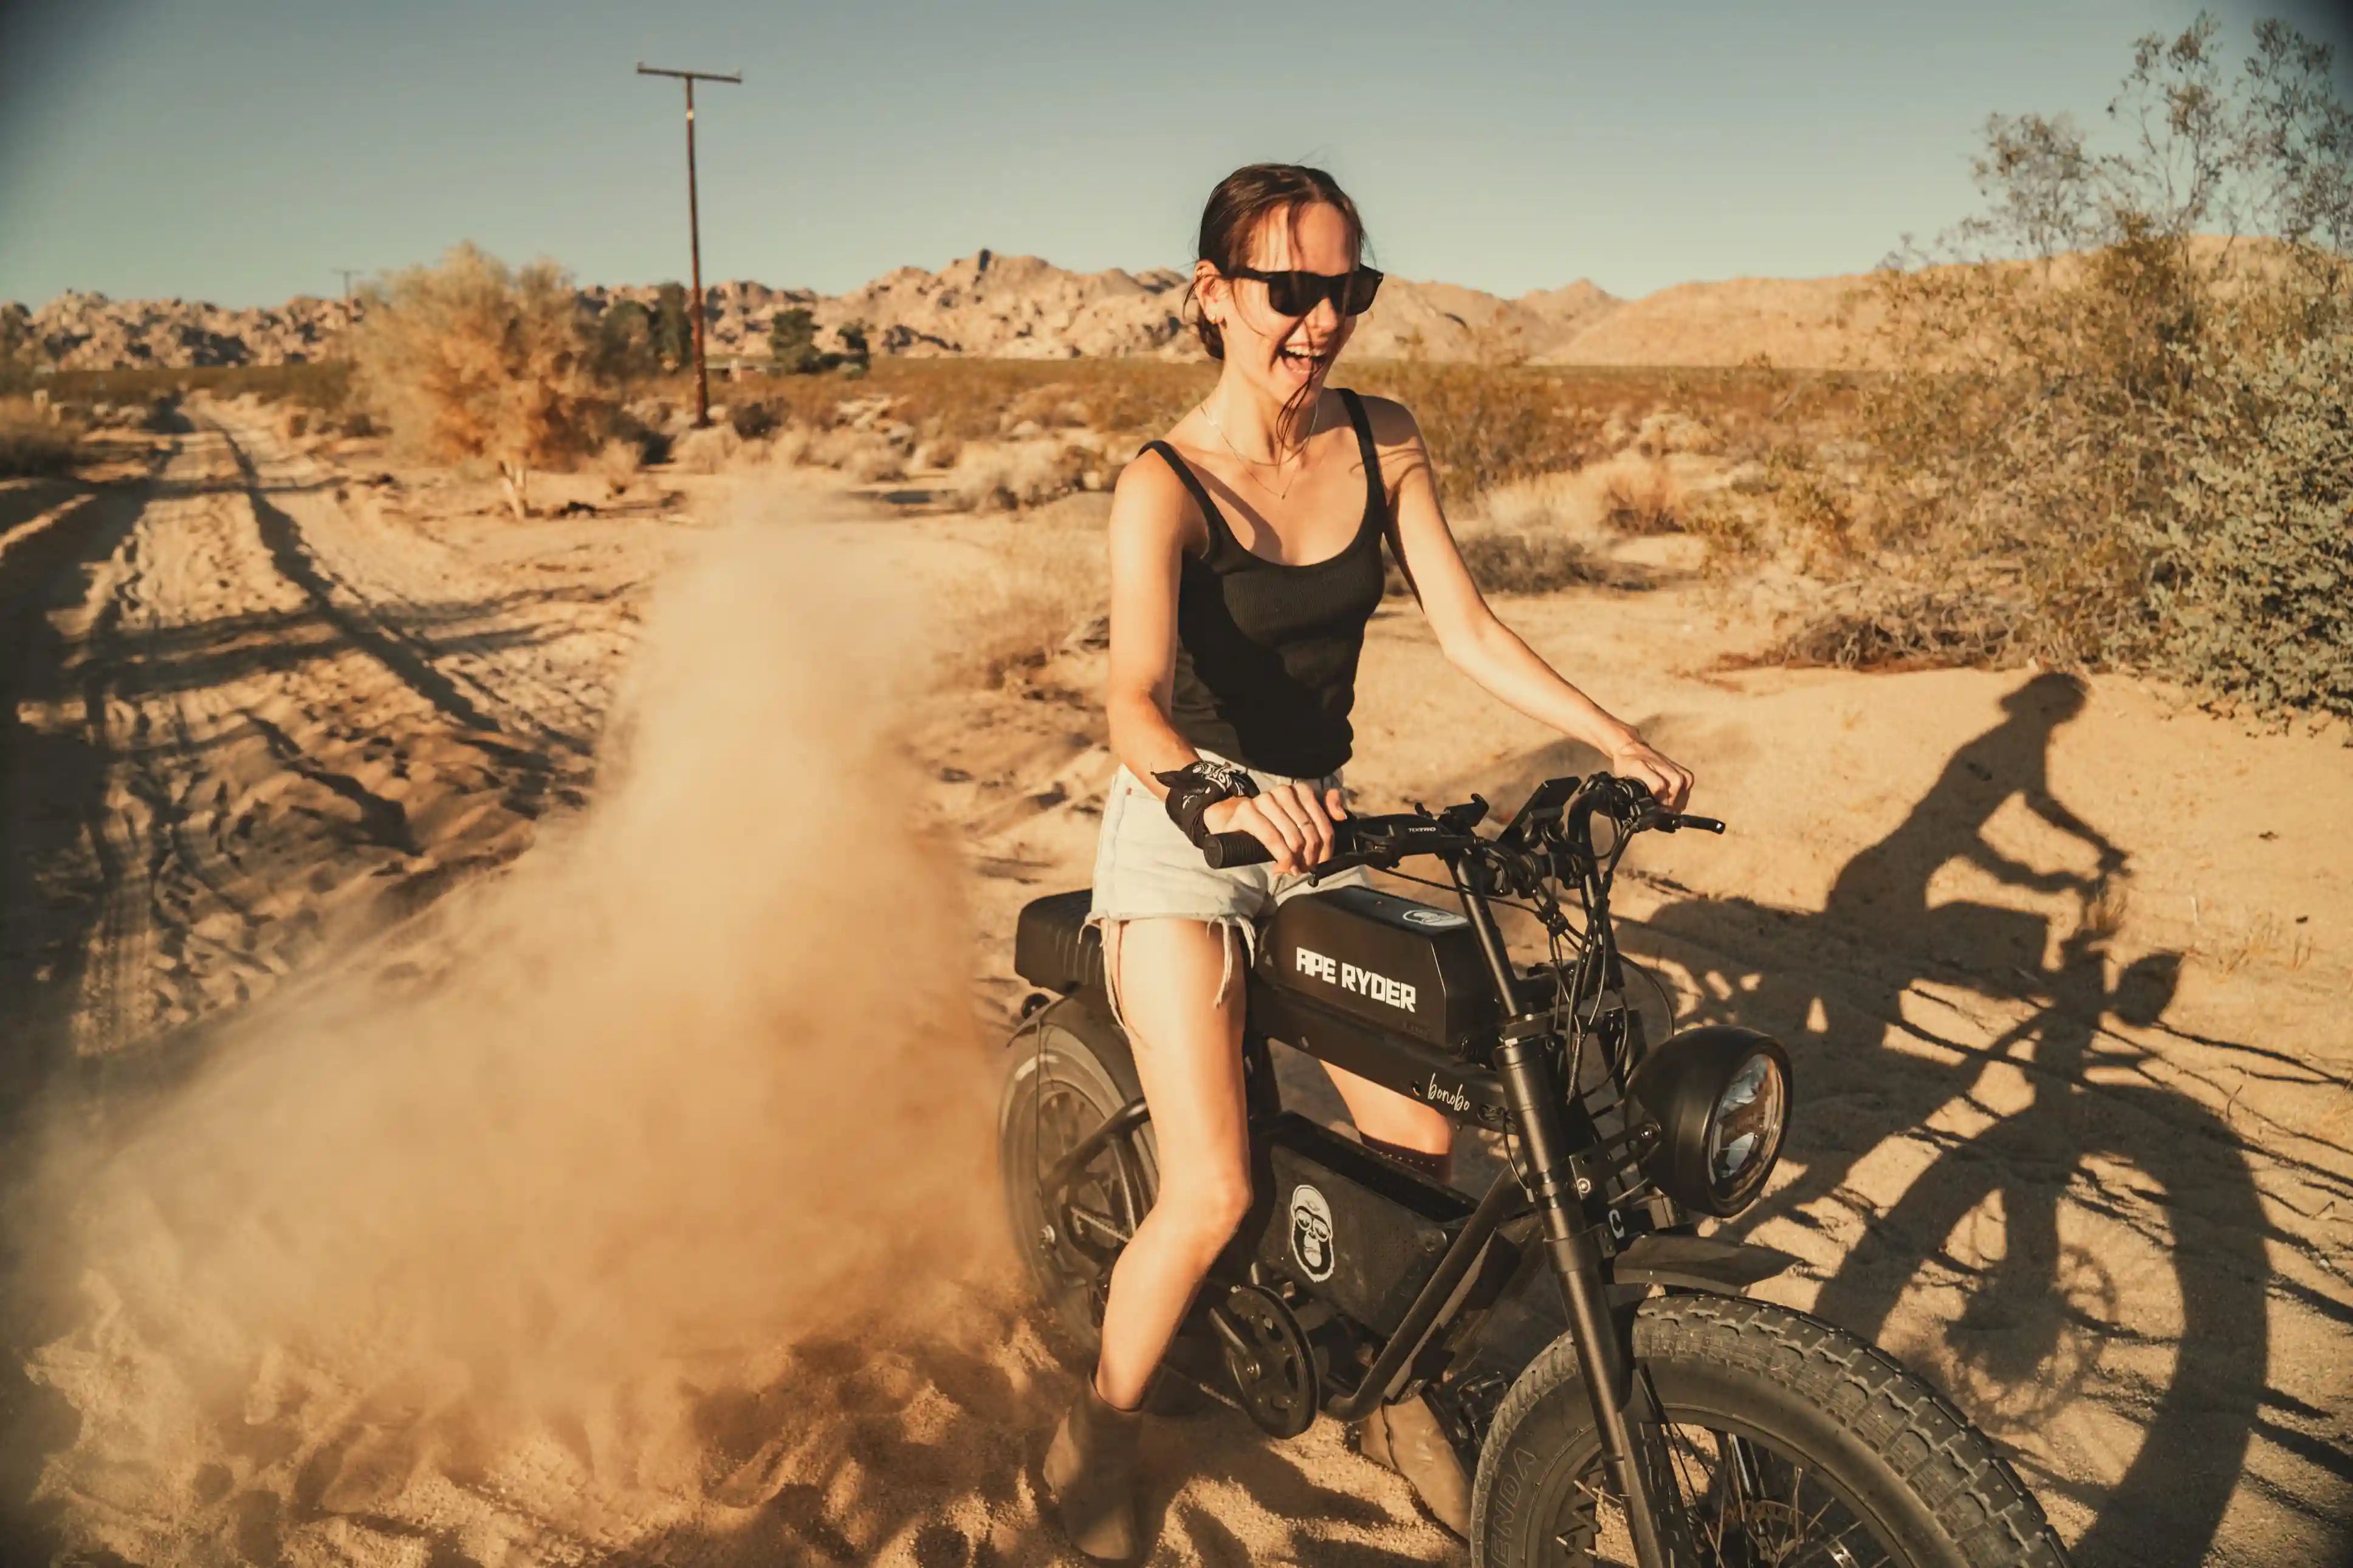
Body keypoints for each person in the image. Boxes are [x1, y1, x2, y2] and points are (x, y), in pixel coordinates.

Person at [1043, 162, 1694, 1561]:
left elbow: (1466, 628)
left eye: (1351, 287)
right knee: (1211, 1184)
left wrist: (1613, 736)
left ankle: (1386, 1384)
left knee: (1419, 1137)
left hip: (1323, 829)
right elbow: (1131, 699)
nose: (1323, 318)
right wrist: (1216, 797)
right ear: (1212, 297)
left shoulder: (1381, 437)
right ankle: (1098, 1437)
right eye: (1292, 290)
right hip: (1184, 839)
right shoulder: (1162, 487)